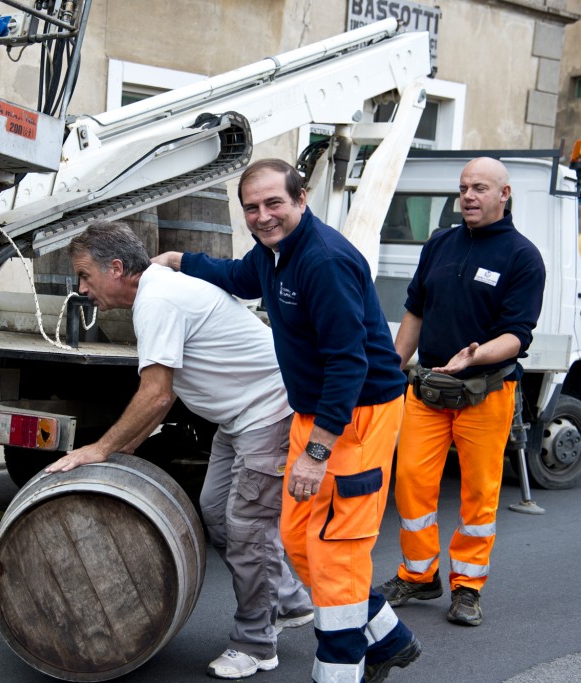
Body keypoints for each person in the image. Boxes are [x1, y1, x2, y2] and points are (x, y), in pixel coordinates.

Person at [154, 158, 421, 683]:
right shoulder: (274, 254)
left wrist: (318, 454)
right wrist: (181, 260)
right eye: (251, 208)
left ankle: (340, 670)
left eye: (274, 203)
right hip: (313, 411)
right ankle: (389, 638)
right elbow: (238, 276)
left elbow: (350, 363)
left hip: (356, 416)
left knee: (335, 549)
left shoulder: (323, 261)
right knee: (297, 538)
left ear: (301, 199)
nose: (263, 215)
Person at [45, 220, 314, 679]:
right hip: (238, 417)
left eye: (86, 275)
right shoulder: (155, 292)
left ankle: (256, 642)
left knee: (248, 529)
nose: (82, 287)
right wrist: (114, 452)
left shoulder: (158, 299)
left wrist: (102, 450)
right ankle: (288, 600)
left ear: (115, 268)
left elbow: (156, 395)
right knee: (214, 511)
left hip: (268, 412)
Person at [375, 157, 546, 627]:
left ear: (504, 194)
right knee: (410, 481)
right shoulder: (439, 244)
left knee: (478, 494)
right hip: (429, 389)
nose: (469, 196)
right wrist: (392, 365)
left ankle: (467, 587)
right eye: (464, 187)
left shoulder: (522, 256)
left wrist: (477, 354)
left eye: (480, 188)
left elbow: (517, 335)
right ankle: (418, 574)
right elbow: (415, 310)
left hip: (485, 392)